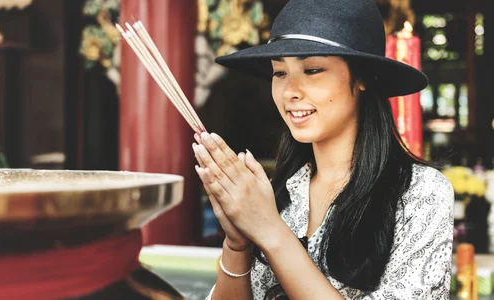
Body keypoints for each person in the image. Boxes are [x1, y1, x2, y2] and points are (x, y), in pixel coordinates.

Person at [191, 0, 454, 299]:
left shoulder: (420, 194)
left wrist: (270, 231)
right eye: (279, 73)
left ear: (363, 77)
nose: (291, 91)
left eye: (313, 69)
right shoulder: (281, 195)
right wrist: (237, 244)